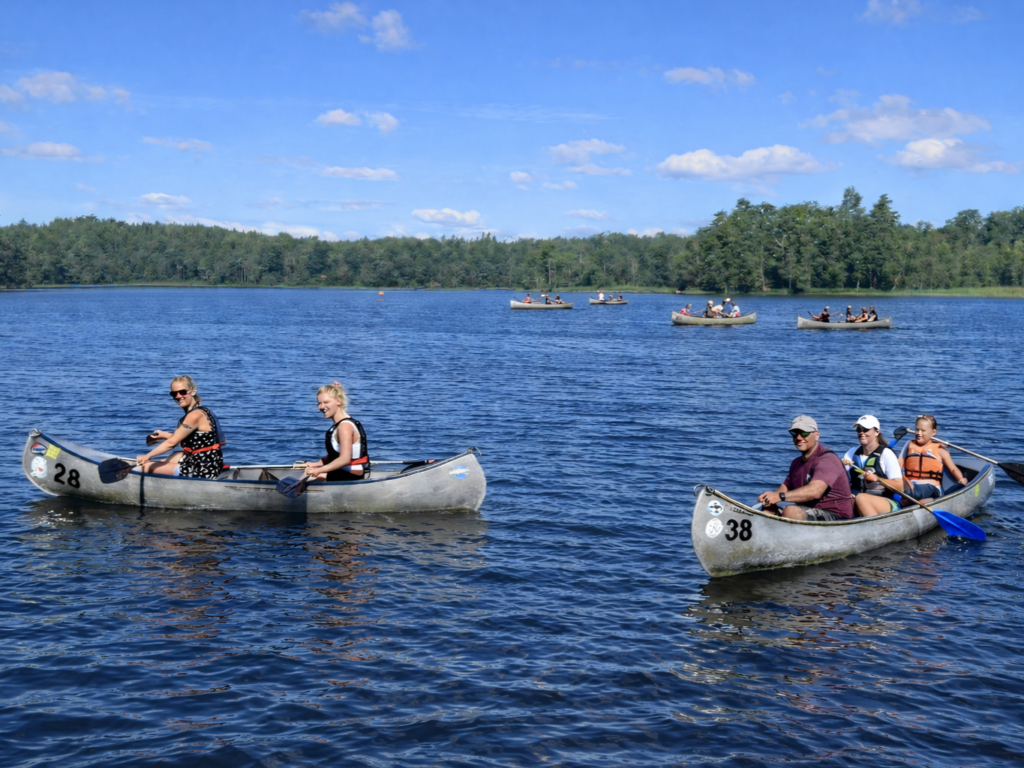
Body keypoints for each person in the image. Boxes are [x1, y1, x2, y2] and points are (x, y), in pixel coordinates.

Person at [758, 416, 854, 521]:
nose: (799, 438)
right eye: (795, 433)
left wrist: (780, 497)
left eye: (804, 433)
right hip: (809, 511)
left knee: (791, 511)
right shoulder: (796, 463)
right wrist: (770, 496)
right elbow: (783, 489)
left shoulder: (827, 460)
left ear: (817, 435)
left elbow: (815, 491)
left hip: (837, 516)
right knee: (768, 505)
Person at [137, 376, 226, 478]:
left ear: (192, 392)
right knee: (173, 456)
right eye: (174, 393)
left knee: (144, 467)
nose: (178, 396)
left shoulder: (194, 416)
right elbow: (221, 441)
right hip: (213, 463)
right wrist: (165, 435)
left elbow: (171, 443)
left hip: (202, 469)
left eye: (182, 392)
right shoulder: (206, 411)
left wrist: (147, 456)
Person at [304, 382, 370, 483]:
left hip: (351, 474)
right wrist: (316, 464)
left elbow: (344, 459)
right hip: (344, 470)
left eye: (326, 402)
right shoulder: (340, 425)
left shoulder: (344, 426)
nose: (321, 407)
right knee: (307, 475)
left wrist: (319, 470)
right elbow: (336, 454)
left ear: (338, 401)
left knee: (309, 480)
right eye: (319, 403)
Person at [842, 415, 903, 517]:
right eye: (859, 429)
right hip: (856, 498)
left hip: (886, 503)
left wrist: (877, 479)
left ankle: (876, 529)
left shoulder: (886, 454)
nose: (861, 433)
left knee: (861, 498)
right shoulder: (851, 453)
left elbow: (899, 486)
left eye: (865, 429)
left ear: (877, 432)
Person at [898, 414, 967, 499]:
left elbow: (953, 469)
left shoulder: (940, 450)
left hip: (932, 488)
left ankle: (910, 499)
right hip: (910, 485)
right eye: (917, 429)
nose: (919, 433)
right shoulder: (908, 445)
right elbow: (898, 466)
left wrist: (961, 479)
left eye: (923, 430)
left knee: (915, 494)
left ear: (933, 432)